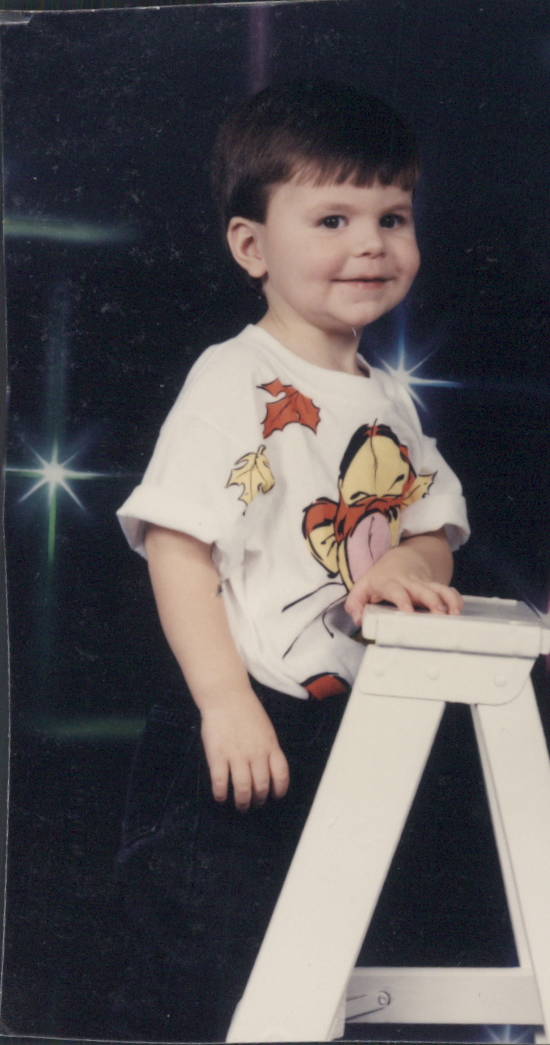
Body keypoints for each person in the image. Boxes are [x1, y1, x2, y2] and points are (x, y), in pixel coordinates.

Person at [112, 78, 470, 1042]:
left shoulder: (387, 396)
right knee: (204, 966)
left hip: (342, 721)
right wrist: (222, 701)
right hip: (238, 717)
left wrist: (412, 570)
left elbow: (434, 521)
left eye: (393, 216)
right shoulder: (235, 377)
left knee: (314, 970)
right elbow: (177, 543)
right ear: (252, 247)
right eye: (333, 219)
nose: (372, 244)